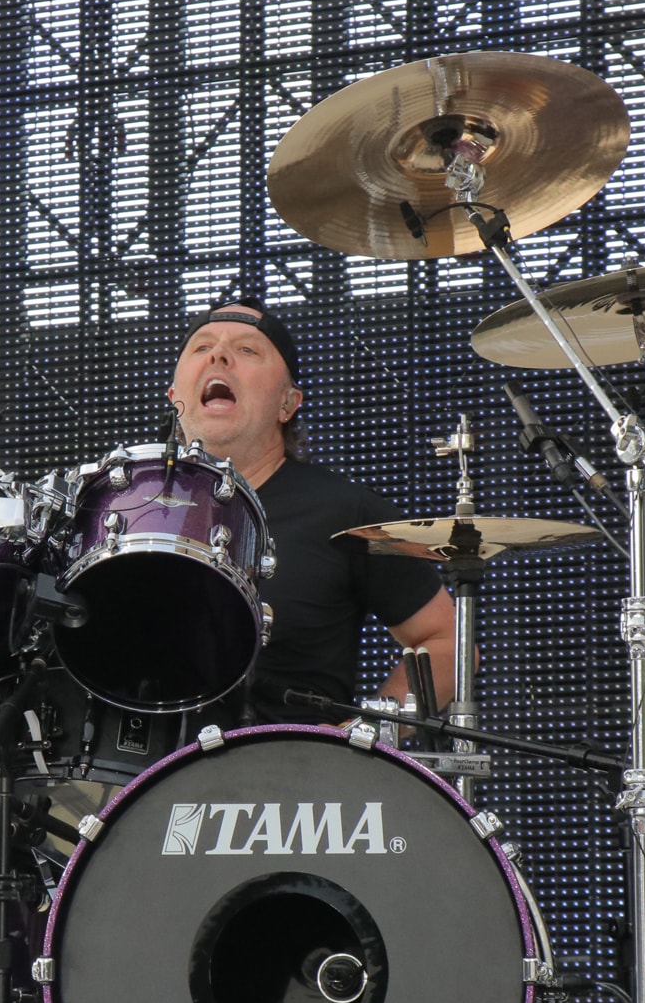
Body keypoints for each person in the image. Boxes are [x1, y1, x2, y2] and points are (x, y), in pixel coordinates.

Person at [168, 299, 458, 724]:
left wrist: (366, 733)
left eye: (247, 349)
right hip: (131, 763)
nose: (219, 356)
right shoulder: (124, 512)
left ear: (288, 403)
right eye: (202, 347)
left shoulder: (343, 510)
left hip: (286, 763)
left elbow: (448, 642)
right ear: (174, 397)